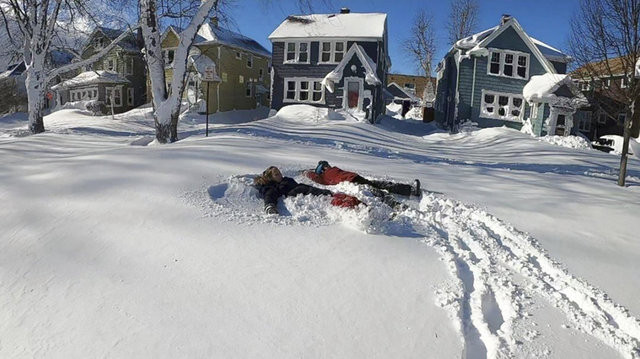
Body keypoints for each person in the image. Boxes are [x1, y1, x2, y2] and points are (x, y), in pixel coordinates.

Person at [254, 166, 361, 215]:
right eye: (276, 174)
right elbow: (269, 194)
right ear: (271, 178)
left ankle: (337, 197)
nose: (280, 175)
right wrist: (270, 205)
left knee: (307, 188)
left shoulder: (286, 180)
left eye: (279, 172)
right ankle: (336, 201)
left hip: (302, 189)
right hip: (295, 195)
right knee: (304, 189)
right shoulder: (271, 186)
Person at [304, 161, 421, 197]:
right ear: (322, 170)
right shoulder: (323, 178)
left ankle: (409, 190)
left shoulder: (331, 170)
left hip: (355, 178)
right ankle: (400, 208)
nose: (327, 166)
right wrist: (306, 172)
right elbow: (313, 176)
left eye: (326, 165)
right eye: (324, 166)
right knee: (376, 192)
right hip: (351, 183)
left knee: (380, 184)